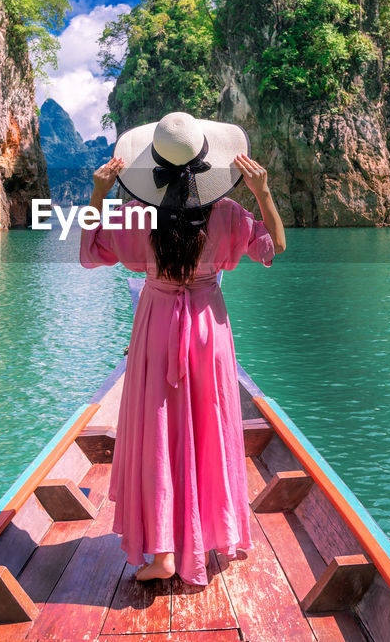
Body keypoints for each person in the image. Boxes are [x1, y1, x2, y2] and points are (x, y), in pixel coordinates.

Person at [79, 111, 285, 587]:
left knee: (158, 434)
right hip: (209, 333)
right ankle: (215, 531)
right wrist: (263, 193)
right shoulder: (230, 216)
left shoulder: (133, 217)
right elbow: (275, 246)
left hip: (155, 331)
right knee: (207, 426)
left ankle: (165, 553)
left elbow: (89, 253)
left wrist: (97, 193)